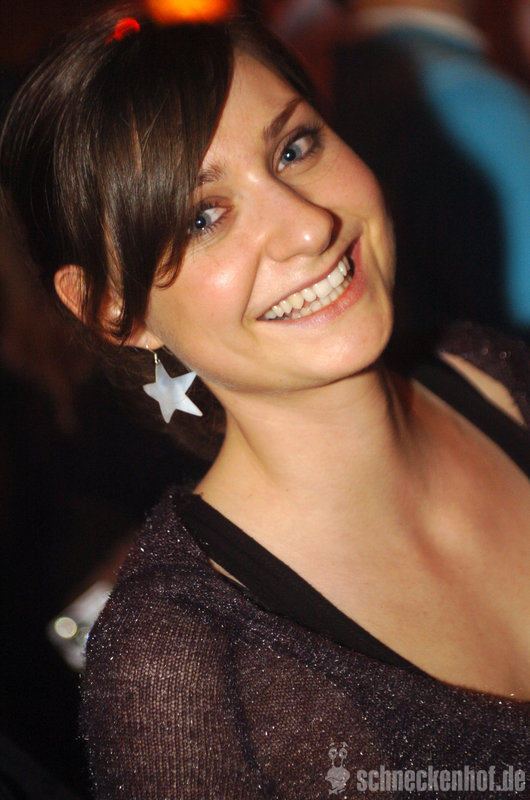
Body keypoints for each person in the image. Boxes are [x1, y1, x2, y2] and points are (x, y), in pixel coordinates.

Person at [1, 7, 529, 798]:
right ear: (114, 308)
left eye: (294, 148)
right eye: (202, 217)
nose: (308, 227)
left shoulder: (494, 373)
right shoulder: (184, 663)